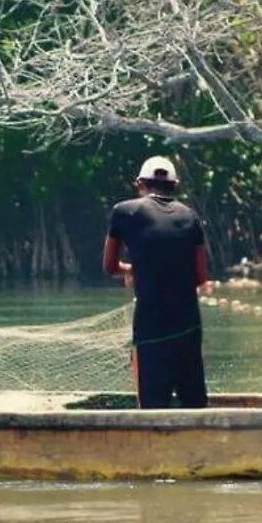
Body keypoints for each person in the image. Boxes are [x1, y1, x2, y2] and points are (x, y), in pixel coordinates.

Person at [102, 156, 208, 409]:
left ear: (140, 184)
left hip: (151, 323)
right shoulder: (191, 217)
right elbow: (201, 277)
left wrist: (131, 270)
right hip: (188, 323)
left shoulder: (124, 212)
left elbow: (109, 266)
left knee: (152, 403)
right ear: (175, 186)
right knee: (193, 400)